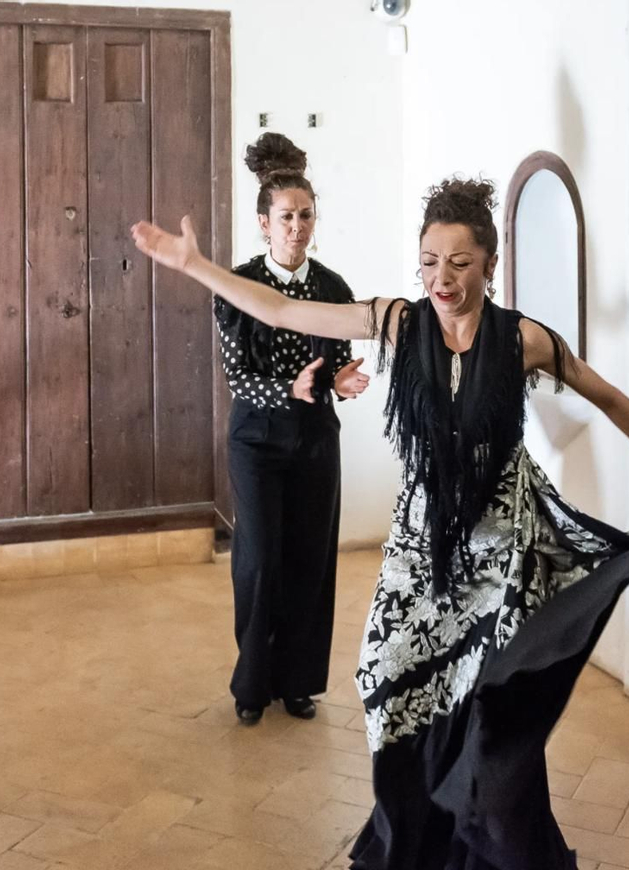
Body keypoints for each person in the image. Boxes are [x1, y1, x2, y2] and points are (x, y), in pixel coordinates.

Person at [132, 179, 629, 868]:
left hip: (502, 543)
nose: (442, 278)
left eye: (459, 263)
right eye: (429, 261)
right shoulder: (399, 322)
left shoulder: (523, 339)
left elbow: (608, 397)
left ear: (489, 262)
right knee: (388, 678)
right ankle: (420, 834)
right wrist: (194, 266)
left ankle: (503, 842)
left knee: (487, 701)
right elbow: (281, 310)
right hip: (421, 541)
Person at [217, 132, 370, 725]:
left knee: (310, 560)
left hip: (313, 442)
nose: (297, 227)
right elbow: (237, 377)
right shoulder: (239, 285)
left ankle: (298, 682)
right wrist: (289, 388)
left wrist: (339, 380)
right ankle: (251, 685)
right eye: (286, 217)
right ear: (264, 223)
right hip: (255, 440)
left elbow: (334, 361)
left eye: (306, 216)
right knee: (258, 561)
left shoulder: (333, 289)